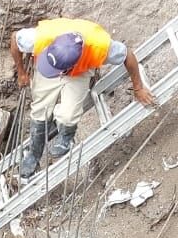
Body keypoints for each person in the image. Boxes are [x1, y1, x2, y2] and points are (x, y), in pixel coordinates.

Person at [9, 18, 157, 178]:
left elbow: (128, 55)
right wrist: (21, 72)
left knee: (69, 114)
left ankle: (65, 137)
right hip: (47, 63)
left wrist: (138, 88)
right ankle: (33, 156)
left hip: (80, 71)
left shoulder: (99, 47)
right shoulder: (42, 37)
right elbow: (14, 38)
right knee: (40, 109)